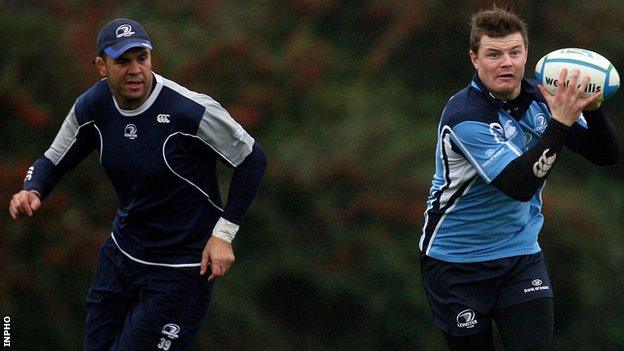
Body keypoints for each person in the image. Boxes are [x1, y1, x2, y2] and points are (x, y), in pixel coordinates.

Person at [8, 18, 267, 350]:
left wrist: (224, 234)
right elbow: (53, 159)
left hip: (182, 268)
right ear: (101, 66)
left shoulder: (189, 110)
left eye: (141, 58)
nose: (135, 70)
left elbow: (252, 159)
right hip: (121, 256)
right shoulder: (93, 105)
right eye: (123, 61)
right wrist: (33, 189)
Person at [419, 6, 619, 351]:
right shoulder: (466, 117)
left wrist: (594, 111)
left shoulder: (541, 99)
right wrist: (559, 124)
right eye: (493, 54)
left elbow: (605, 155)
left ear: (527, 54)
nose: (506, 63)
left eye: (514, 52)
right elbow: (518, 186)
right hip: (456, 264)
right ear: (474, 59)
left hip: (519, 257)